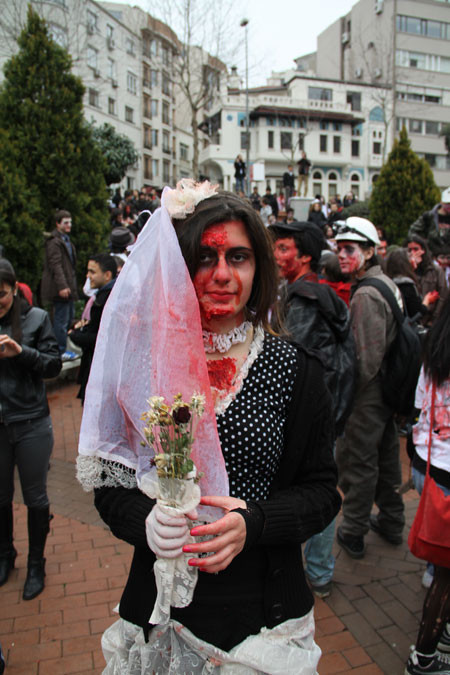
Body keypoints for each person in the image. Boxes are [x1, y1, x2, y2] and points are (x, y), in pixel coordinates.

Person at [77, 182, 341, 673]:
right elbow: (111, 483)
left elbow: (323, 492)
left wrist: (255, 522)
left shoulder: (295, 369)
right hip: (163, 608)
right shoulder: (145, 365)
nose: (222, 274)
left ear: (259, 268)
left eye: (238, 257)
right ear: (179, 265)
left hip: (262, 614)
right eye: (204, 258)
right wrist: (145, 523)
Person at [270, 220, 355, 598]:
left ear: (304, 257)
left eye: (283, 248)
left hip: (312, 413)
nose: (276, 255)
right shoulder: (313, 290)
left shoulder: (303, 297)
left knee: (314, 489)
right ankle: (319, 571)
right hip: (328, 407)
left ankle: (316, 571)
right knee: (320, 485)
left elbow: (289, 358)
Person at [335, 217, 405, 558]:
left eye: (349, 249)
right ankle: (392, 521)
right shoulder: (385, 282)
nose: (341, 255)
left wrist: (348, 399)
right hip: (387, 387)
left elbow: (365, 360)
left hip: (370, 393)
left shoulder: (365, 293)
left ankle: (353, 530)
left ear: (368, 252)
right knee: (387, 455)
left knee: (359, 461)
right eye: (339, 248)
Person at [0, 259, 61, 600]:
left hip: (30, 421)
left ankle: (36, 563)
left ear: (14, 288)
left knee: (35, 496)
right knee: (0, 496)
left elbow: (53, 365)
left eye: (2, 294)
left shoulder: (36, 318)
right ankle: (5, 553)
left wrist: (21, 352)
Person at [405, 293, 450, 675]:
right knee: (447, 576)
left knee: (443, 563)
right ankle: (423, 657)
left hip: (426, 463)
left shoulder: (435, 345)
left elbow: (420, 404)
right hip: (445, 473)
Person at [69, 254, 117, 404]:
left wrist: (76, 335)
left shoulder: (109, 300)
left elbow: (105, 338)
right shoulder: (102, 296)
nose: (88, 276)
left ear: (107, 275)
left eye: (92, 272)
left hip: (102, 372)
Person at [41, 209, 78, 361]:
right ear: (58, 224)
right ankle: (60, 351)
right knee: (61, 321)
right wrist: (62, 286)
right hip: (60, 288)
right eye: (65, 223)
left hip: (68, 285)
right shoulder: (54, 242)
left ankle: (63, 348)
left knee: (68, 319)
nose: (69, 225)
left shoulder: (66, 240)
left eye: (70, 222)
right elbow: (55, 265)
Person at [385, 248, 438, 322]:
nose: (414, 260)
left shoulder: (388, 282)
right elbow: (416, 313)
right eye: (411, 258)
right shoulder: (406, 285)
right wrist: (427, 300)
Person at [406, 234, 447, 326]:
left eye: (416, 249)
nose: (413, 253)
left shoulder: (436, 271)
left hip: (431, 320)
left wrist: (434, 320)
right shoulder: (406, 271)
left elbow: (443, 296)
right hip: (413, 320)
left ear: (423, 250)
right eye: (410, 250)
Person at [409, 187, 450, 256]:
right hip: (431, 256)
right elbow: (412, 232)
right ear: (441, 202)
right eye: (448, 203)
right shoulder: (428, 216)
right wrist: (423, 243)